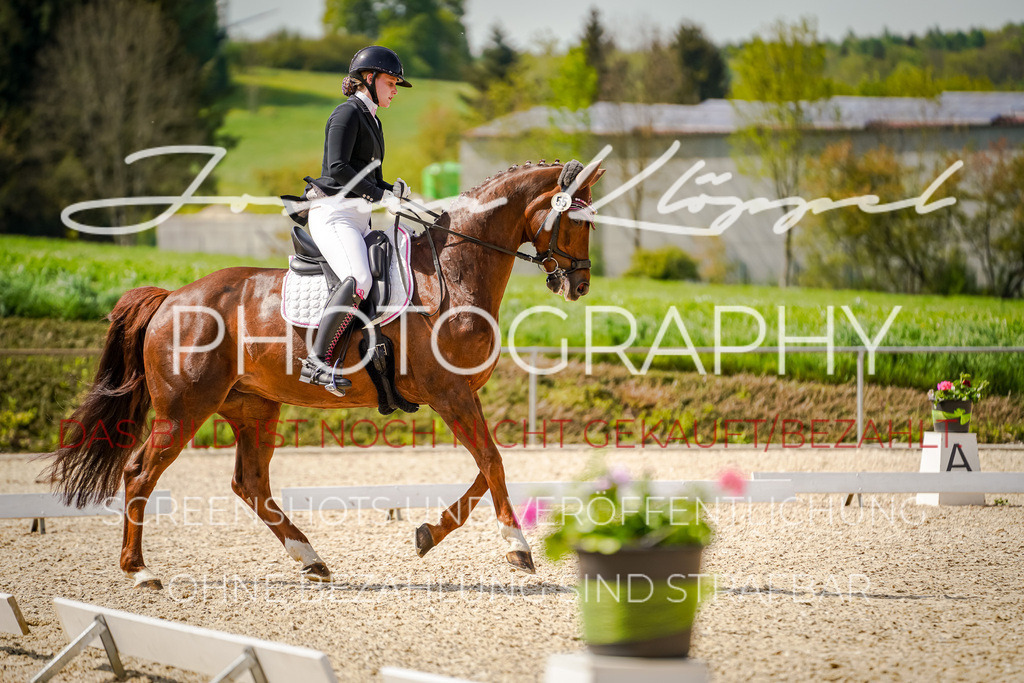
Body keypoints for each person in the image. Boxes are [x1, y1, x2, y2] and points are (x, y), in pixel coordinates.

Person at [299, 46, 412, 391]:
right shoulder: (346, 113)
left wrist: (394, 189)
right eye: (391, 82)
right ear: (369, 78)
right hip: (333, 214)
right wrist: (381, 195)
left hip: (357, 217)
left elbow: (371, 177)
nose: (394, 90)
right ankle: (315, 364)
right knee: (359, 276)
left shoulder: (373, 120)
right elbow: (338, 167)